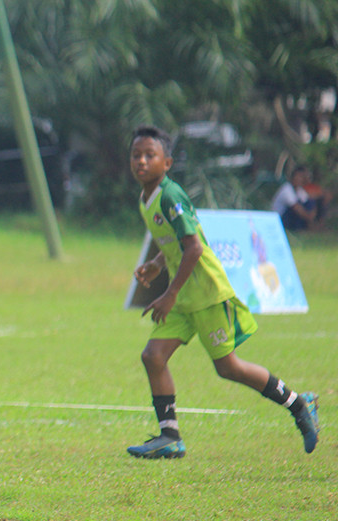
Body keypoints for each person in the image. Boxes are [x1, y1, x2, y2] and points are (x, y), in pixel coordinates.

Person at [128, 125, 319, 458]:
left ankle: (300, 404)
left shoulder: (170, 195)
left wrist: (169, 293)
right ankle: (169, 437)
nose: (141, 161)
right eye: (136, 155)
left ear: (167, 162)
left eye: (150, 155)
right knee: (152, 356)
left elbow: (194, 248)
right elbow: (176, 241)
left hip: (206, 293)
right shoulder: (147, 198)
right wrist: (158, 264)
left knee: (228, 367)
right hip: (184, 295)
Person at [271, 166, 317, 232]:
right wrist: (309, 218)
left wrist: (312, 215)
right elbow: (297, 208)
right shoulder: (287, 189)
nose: (300, 179)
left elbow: (309, 201)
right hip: (280, 218)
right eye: (298, 177)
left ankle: (309, 227)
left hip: (294, 215)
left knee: (310, 202)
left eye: (302, 177)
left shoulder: (300, 190)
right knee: (295, 210)